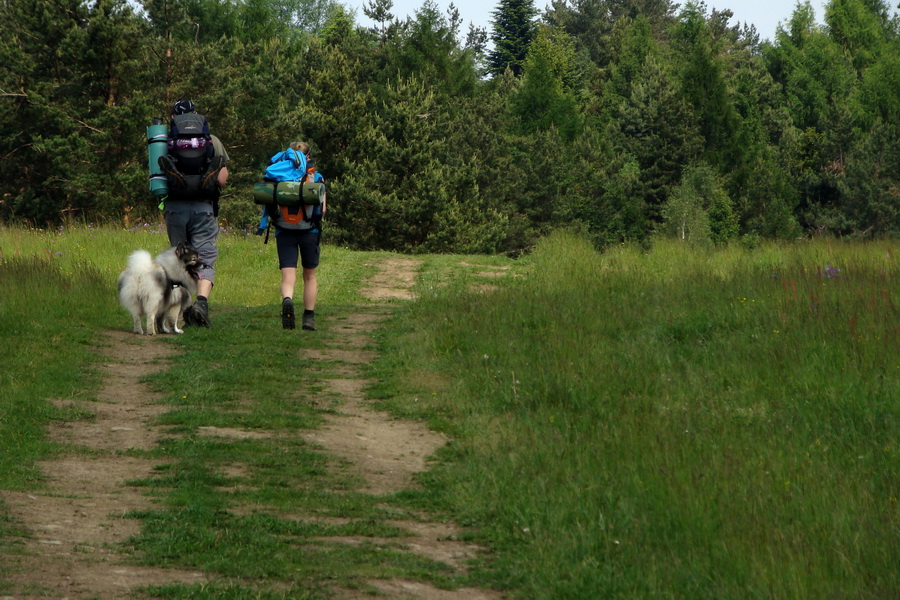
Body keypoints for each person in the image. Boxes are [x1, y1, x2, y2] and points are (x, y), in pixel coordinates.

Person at [160, 100, 229, 328]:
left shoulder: (163, 141)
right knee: (205, 258)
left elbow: (156, 179)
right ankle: (200, 303)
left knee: (179, 259)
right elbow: (221, 180)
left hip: (175, 207)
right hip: (203, 207)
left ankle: (178, 313)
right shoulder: (211, 140)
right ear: (196, 115)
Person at [258, 141, 325, 331]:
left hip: (284, 230)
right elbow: (323, 209)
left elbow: (267, 204)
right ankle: (309, 318)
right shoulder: (316, 177)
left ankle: (287, 299)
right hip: (309, 231)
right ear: (308, 157)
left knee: (288, 276)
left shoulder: (278, 175)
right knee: (309, 276)